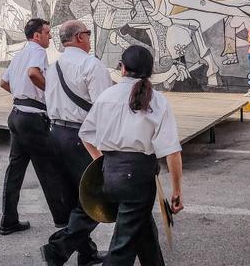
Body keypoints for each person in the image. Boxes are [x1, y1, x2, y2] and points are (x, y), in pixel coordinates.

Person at [79, 45, 184, 266]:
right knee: (122, 247)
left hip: (109, 174)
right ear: (150, 71)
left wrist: (101, 161)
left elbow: (86, 135)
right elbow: (171, 151)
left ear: (123, 68)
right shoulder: (157, 100)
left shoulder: (107, 95)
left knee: (142, 230)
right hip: (139, 178)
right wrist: (176, 191)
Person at [39, 20, 113, 266]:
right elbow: (104, 109)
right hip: (82, 138)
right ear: (80, 37)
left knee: (73, 197)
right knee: (96, 197)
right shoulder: (92, 66)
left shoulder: (54, 66)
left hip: (55, 134)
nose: (90, 38)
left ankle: (87, 252)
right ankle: (58, 248)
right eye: (89, 34)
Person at [0, 18, 70, 235]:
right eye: (47, 33)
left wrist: (22, 96)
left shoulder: (19, 54)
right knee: (49, 170)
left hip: (17, 115)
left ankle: (8, 220)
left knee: (15, 170)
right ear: (37, 36)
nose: (49, 36)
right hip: (32, 119)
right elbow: (33, 73)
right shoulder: (38, 51)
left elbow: (3, 83)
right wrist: (50, 94)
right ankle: (63, 222)